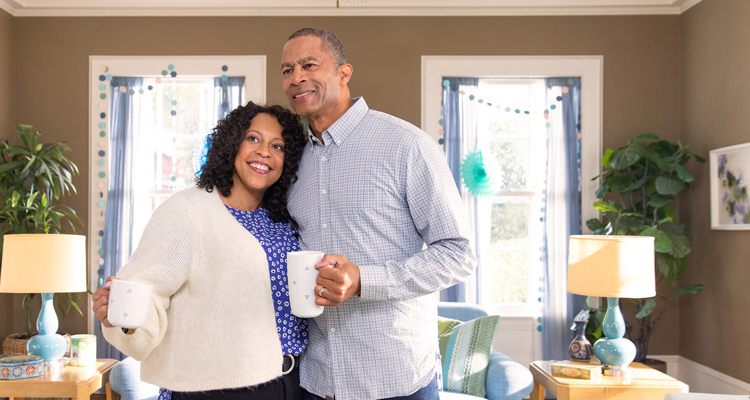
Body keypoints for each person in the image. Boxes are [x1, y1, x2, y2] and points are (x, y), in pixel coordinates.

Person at [281, 28, 477, 400]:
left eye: (309, 65)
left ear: (344, 73)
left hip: (396, 379)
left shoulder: (406, 145)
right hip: (317, 381)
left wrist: (363, 280)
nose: (296, 78)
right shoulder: (291, 161)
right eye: (287, 70)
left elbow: (459, 254)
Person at [91, 102, 307, 400]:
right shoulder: (187, 211)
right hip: (216, 390)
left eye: (278, 146)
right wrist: (120, 318)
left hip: (290, 384)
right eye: (253, 138)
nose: (265, 152)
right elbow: (147, 291)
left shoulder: (282, 221)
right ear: (232, 145)